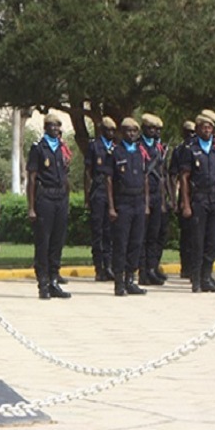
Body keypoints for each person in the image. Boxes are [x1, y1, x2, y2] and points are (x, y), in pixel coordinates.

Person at [27, 113, 71, 299]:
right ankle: (43, 283)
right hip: (44, 197)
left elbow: (66, 174)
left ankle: (54, 280)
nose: (56, 129)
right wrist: (31, 207)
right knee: (43, 242)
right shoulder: (38, 148)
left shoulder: (61, 148)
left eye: (58, 126)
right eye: (52, 126)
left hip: (60, 197)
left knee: (57, 241)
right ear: (46, 127)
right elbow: (32, 178)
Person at [180, 113, 215, 293]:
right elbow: (184, 178)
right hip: (198, 199)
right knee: (197, 241)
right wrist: (186, 203)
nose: (207, 130)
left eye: (210, 127)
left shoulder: (214, 149)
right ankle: (196, 278)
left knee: (212, 241)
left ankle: (207, 276)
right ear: (198, 129)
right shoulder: (190, 149)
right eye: (204, 127)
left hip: (213, 199)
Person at [106, 117, 148, 296]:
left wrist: (146, 204)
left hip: (138, 202)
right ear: (122, 133)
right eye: (128, 131)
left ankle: (131, 279)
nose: (132, 134)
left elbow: (145, 178)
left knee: (136, 242)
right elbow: (109, 181)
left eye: (134, 131)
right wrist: (111, 207)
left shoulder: (140, 152)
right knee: (121, 243)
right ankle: (119, 281)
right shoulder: (116, 152)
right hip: (123, 202)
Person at [84, 116, 116, 281]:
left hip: (111, 193)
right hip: (98, 190)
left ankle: (109, 266)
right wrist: (87, 195)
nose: (111, 133)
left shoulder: (115, 147)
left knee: (109, 232)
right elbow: (88, 172)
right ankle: (99, 268)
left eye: (113, 130)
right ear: (102, 130)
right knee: (97, 231)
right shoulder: (94, 146)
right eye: (109, 130)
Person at [138, 113, 169, 286]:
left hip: (157, 195)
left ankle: (152, 268)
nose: (154, 132)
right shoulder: (139, 147)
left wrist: (163, 201)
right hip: (143, 196)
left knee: (155, 235)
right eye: (150, 128)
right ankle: (143, 271)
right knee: (142, 235)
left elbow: (162, 175)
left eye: (156, 129)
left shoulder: (159, 148)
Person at [169, 120, 197, 279]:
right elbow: (174, 175)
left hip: (200, 194)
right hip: (185, 195)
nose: (190, 136)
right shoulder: (179, 151)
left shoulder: (201, 149)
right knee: (186, 235)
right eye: (188, 133)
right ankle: (186, 266)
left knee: (199, 234)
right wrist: (175, 199)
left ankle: (195, 267)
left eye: (193, 133)